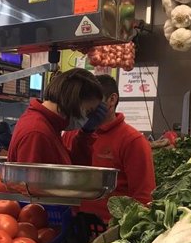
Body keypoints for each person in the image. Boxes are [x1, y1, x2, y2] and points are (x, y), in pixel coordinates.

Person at [62, 74, 156, 222]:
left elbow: (144, 198)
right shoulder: (71, 134)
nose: (85, 106)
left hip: (109, 231)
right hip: (72, 225)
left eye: (91, 100)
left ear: (112, 100)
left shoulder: (133, 141)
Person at [8, 68, 107, 165]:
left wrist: (86, 134)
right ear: (74, 100)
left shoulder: (50, 127)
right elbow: (33, 180)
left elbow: (72, 168)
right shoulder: (37, 133)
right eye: (88, 111)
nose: (87, 118)